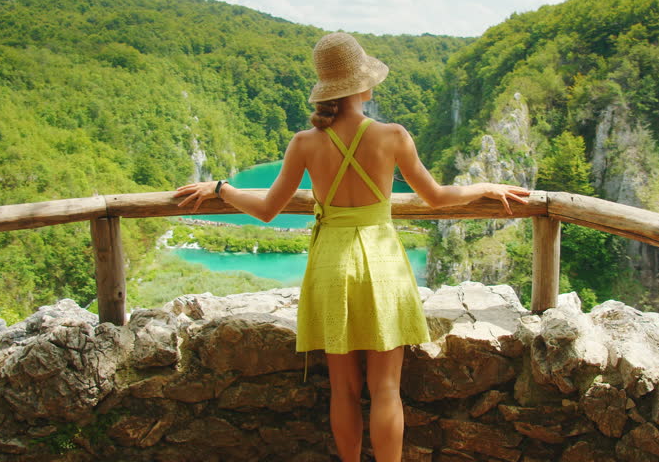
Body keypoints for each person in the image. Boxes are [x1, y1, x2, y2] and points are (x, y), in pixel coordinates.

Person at [174, 32, 530, 462]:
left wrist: (221, 189)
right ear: (362, 86)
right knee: (385, 390)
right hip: (382, 262)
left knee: (343, 391)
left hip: (331, 263)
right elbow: (435, 198)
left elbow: (268, 208)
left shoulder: (305, 142)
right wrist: (485, 187)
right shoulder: (393, 135)